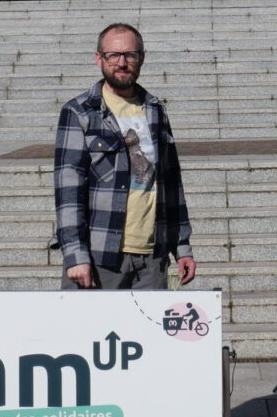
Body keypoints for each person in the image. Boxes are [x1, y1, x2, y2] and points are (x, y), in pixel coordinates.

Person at [54, 22, 196, 290]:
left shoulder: (155, 110)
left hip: (153, 258)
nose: (122, 62)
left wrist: (182, 246)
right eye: (113, 55)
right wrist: (75, 255)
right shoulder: (79, 112)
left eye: (130, 55)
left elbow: (172, 184)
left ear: (141, 58)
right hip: (99, 257)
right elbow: (68, 191)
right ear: (99, 59)